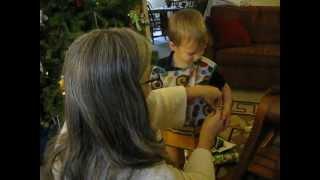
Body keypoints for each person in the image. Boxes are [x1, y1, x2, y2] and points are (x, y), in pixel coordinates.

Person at [44, 28, 225, 180]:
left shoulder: (72, 137)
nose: (151, 91)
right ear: (130, 97)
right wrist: (204, 143)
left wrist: (195, 91)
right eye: (148, 81)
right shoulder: (152, 175)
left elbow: (152, 103)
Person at [150, 8, 232, 168]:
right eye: (191, 53)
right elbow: (156, 99)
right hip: (172, 127)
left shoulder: (207, 67)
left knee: (199, 158)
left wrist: (227, 107)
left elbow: (225, 88)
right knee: (174, 160)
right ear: (173, 45)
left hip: (200, 129)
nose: (198, 56)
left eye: (203, 49)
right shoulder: (160, 70)